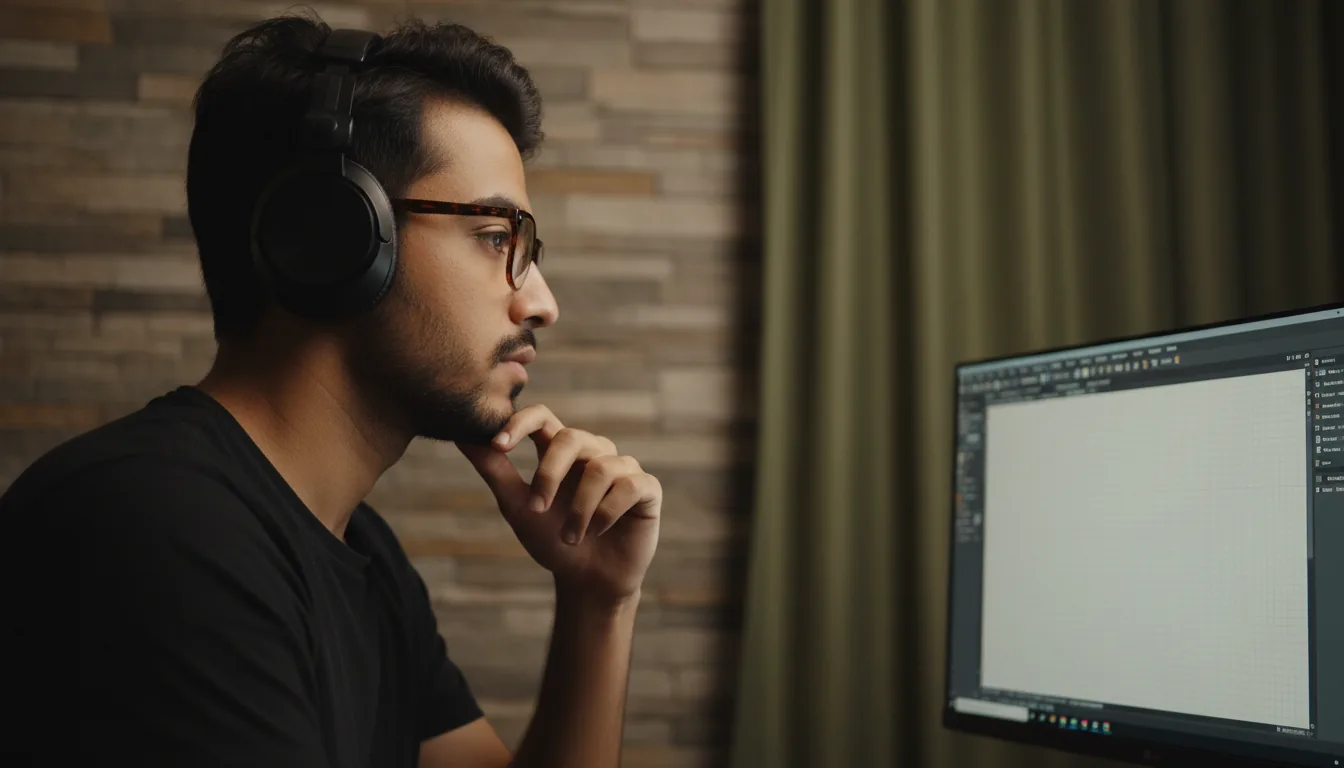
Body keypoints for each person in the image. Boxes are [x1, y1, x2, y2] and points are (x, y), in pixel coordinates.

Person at [0, 14, 662, 768]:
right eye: (493, 237)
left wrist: (598, 603)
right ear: (334, 234)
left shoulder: (364, 554)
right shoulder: (156, 531)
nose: (542, 302)